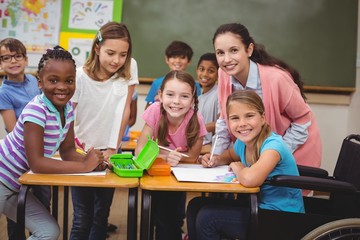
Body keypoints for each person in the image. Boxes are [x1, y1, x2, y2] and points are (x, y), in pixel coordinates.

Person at [0, 46, 105, 240]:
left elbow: (67, 151)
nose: (62, 87)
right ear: (40, 82)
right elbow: (37, 164)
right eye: (53, 80)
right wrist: (83, 165)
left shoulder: (68, 110)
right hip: (1, 178)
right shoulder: (36, 111)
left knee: (48, 232)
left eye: (69, 81)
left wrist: (93, 163)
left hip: (15, 186)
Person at [187, 90, 305, 240]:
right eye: (235, 118)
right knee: (195, 205)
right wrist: (216, 159)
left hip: (280, 216)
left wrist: (239, 168)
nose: (242, 124)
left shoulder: (273, 145)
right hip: (257, 206)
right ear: (228, 123)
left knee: (208, 218)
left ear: (262, 118)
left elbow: (250, 179)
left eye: (249, 116)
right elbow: (230, 155)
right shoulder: (244, 143)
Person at [207, 23, 321, 169]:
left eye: (234, 50)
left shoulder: (276, 78)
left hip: (294, 153)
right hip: (258, 159)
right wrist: (215, 156)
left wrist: (273, 155)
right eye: (220, 53)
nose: (227, 59)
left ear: (249, 50)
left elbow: (303, 119)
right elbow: (224, 120)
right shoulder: (223, 74)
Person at [70, 21, 139, 240]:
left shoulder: (129, 69)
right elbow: (69, 118)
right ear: (97, 48)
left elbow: (124, 109)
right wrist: (77, 153)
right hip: (80, 153)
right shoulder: (79, 76)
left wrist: (112, 148)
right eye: (110, 53)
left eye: (122, 54)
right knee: (82, 217)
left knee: (101, 216)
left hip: (110, 152)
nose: (116, 60)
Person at [135, 70, 207, 240]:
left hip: (178, 178)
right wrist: (164, 157)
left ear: (193, 99)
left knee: (170, 219)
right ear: (160, 95)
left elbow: (193, 156)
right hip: (155, 175)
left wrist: (179, 158)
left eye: (184, 96)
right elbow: (139, 151)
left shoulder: (196, 118)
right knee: (157, 217)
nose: (176, 102)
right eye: (170, 94)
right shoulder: (155, 110)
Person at [0, 37, 50, 240]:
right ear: (0, 63)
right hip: (18, 159)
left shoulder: (34, 81)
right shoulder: (4, 92)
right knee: (18, 211)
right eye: (6, 58)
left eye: (17, 56)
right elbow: (14, 130)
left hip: (41, 155)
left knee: (43, 205)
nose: (13, 61)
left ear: (26, 59)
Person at [145, 40, 201, 109]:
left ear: (189, 61)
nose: (178, 61)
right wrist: (156, 102)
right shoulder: (157, 83)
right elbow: (148, 109)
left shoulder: (194, 85)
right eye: (174, 57)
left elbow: (197, 108)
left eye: (182, 57)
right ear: (167, 59)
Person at [196, 53, 219, 145]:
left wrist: (197, 130)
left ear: (218, 73)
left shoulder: (219, 94)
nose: (205, 74)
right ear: (197, 70)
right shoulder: (199, 99)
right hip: (200, 144)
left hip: (211, 147)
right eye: (201, 69)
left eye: (211, 71)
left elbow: (223, 124)